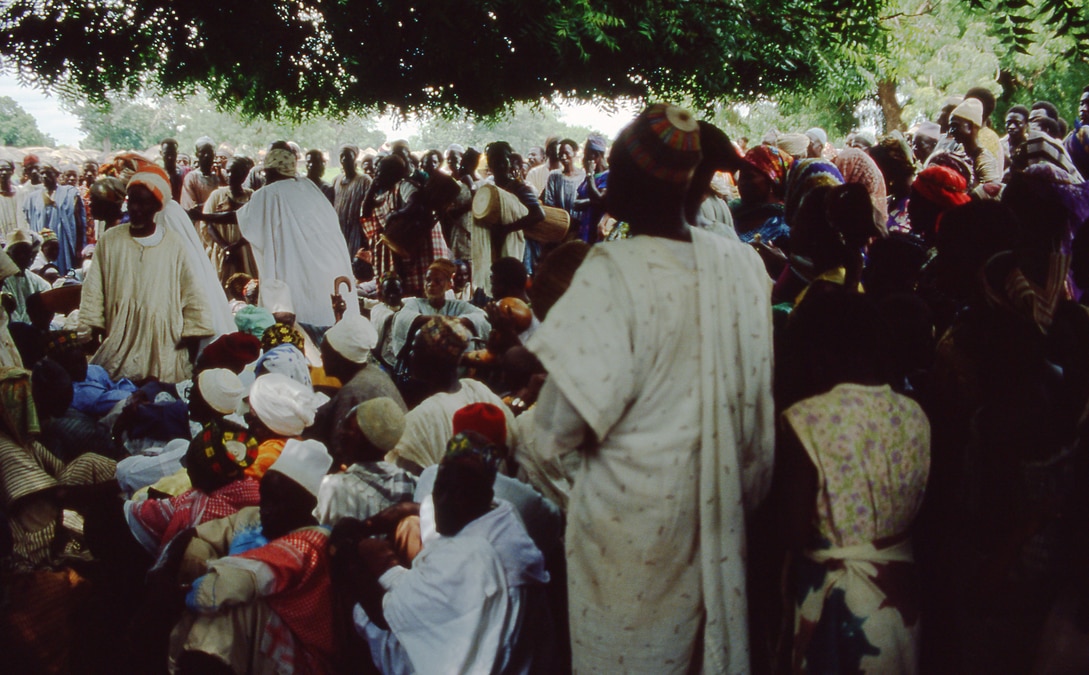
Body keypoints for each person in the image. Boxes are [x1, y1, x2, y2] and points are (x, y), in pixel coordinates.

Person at [527, 105, 775, 673]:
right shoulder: (743, 266)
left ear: (627, 183)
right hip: (725, 523)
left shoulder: (611, 271)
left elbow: (556, 430)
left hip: (632, 544)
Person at [777, 290, 930, 673]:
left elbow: (794, 532)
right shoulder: (914, 414)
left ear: (815, 350)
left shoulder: (807, 419)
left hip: (838, 606)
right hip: (900, 599)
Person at [341, 431, 550, 675]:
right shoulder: (501, 516)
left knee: (358, 612)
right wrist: (380, 522)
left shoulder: (471, 555)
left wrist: (349, 553)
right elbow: (423, 507)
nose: (443, 502)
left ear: (484, 495)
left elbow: (384, 614)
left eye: (461, 495)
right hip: (497, 651)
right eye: (440, 489)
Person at [170, 439, 336, 674]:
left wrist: (186, 593)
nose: (266, 509)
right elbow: (201, 536)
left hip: (294, 652)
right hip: (251, 639)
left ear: (306, 506)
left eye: (278, 502)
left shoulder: (309, 543)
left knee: (234, 606)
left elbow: (231, 584)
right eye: (265, 497)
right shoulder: (255, 517)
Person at [79, 164, 215, 383]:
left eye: (143, 203)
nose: (136, 208)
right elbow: (94, 291)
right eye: (132, 201)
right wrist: (89, 332)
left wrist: (190, 337)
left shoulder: (174, 244)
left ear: (157, 206)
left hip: (164, 348)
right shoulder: (110, 240)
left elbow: (193, 295)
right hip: (117, 344)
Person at [196, 145, 359, 327]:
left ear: (271, 171)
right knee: (332, 312)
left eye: (265, 173)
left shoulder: (269, 193)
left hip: (299, 266)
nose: (264, 177)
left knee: (302, 314)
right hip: (330, 264)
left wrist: (202, 216)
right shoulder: (308, 187)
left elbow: (237, 217)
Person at [388, 316, 515, 468]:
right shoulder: (478, 390)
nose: (411, 355)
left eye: (415, 349)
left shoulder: (417, 421)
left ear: (428, 361)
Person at [311, 314, 406, 457]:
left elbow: (338, 446)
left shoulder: (355, 391)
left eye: (325, 351)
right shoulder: (373, 372)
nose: (321, 356)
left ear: (339, 358)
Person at [315, 396, 415, 526]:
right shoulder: (411, 482)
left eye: (348, 428)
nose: (340, 432)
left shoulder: (334, 486)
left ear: (362, 438)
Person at [473, 142, 544, 288]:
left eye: (502, 160)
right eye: (494, 160)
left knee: (513, 286)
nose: (499, 164)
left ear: (509, 162)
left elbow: (538, 214)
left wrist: (507, 229)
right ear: (489, 165)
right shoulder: (488, 190)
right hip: (494, 245)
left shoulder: (518, 188)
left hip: (517, 247)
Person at [390, 258, 490, 357]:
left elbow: (481, 317)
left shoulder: (459, 305)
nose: (431, 284)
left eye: (437, 281)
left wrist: (453, 322)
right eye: (428, 280)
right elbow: (404, 318)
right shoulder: (416, 303)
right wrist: (449, 322)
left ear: (448, 285)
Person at [201, 156, 258, 284]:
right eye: (228, 171)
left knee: (247, 284)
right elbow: (208, 224)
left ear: (244, 175)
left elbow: (256, 225)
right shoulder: (216, 195)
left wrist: (236, 246)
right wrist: (226, 247)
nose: (230, 175)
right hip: (222, 250)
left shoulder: (251, 196)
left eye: (235, 172)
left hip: (245, 250)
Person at [21, 164, 85, 275]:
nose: (44, 176)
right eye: (42, 173)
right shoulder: (33, 198)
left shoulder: (69, 193)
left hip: (63, 241)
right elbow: (29, 221)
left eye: (48, 173)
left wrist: (79, 246)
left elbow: (79, 222)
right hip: (43, 243)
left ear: (56, 175)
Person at [730, 143, 793, 245]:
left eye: (749, 176)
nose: (742, 182)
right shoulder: (732, 212)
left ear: (772, 181)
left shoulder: (783, 227)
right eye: (741, 176)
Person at [182, 137, 225, 255]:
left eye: (209, 153)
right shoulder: (191, 178)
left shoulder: (221, 175)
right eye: (203, 152)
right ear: (197, 154)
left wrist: (220, 178)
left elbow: (228, 198)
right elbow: (191, 209)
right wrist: (214, 206)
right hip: (201, 228)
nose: (206, 156)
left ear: (214, 154)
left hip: (221, 227)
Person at [948, 99, 1001, 190]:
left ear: (970, 126)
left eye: (955, 126)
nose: (951, 131)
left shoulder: (984, 159)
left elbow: (993, 190)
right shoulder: (959, 151)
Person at [1, 229, 51, 324]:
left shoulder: (38, 282)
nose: (22, 256)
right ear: (8, 255)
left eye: (26, 252)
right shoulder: (3, 280)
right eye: (18, 252)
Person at [333, 144, 373, 257]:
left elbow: (369, 207)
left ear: (355, 158)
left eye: (348, 156)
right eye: (342, 156)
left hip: (357, 230)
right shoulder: (336, 180)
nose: (344, 159)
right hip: (339, 229)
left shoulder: (364, 180)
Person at [161, 138, 187, 203]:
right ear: (161, 153)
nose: (170, 157)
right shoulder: (157, 175)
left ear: (177, 153)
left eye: (172, 154)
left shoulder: (184, 174)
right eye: (167, 154)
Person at [0, 159, 19, 238]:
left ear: (12, 172)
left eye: (7, 170)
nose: (4, 173)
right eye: (1, 170)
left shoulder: (20, 192)